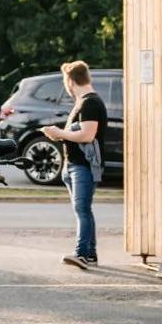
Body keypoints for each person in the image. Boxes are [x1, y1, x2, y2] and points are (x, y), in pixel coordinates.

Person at [39, 59, 108, 268]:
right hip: (73, 165)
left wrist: (60, 133)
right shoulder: (83, 103)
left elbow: (87, 135)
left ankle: (82, 254)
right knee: (83, 210)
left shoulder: (90, 103)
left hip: (83, 166)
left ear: (70, 81)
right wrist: (60, 135)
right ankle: (90, 254)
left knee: (82, 209)